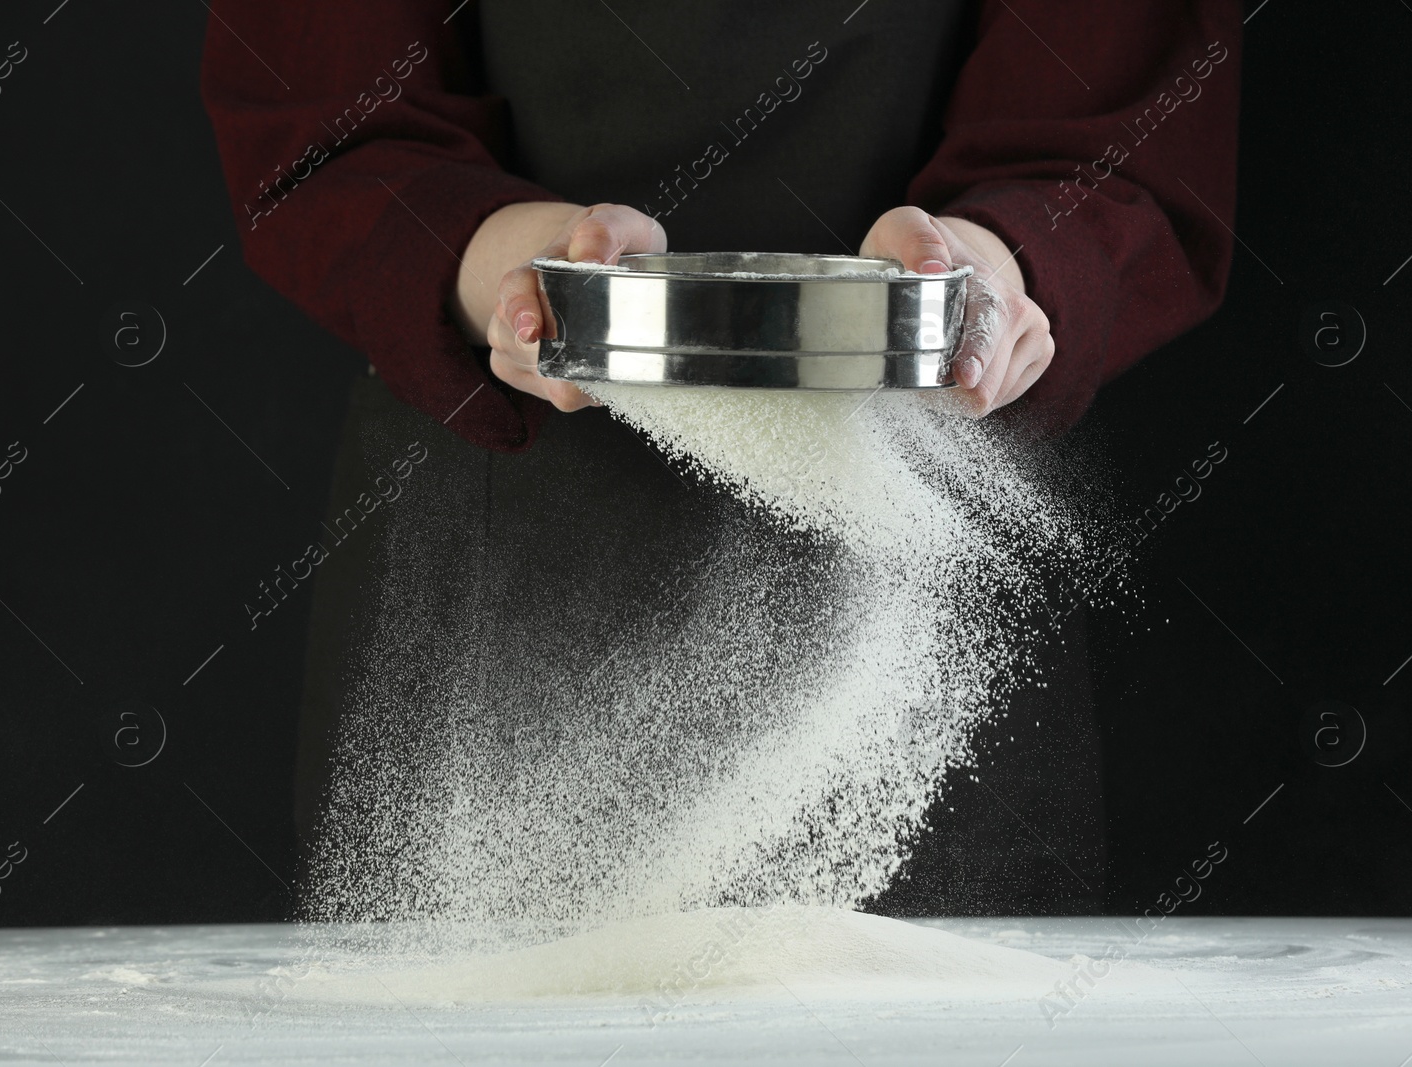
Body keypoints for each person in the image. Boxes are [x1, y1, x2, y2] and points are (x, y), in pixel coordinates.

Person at [202, 0, 1238, 915]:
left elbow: (1127, 120)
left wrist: (984, 279)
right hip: (496, 579)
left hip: (918, 590)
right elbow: (328, 115)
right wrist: (518, 278)